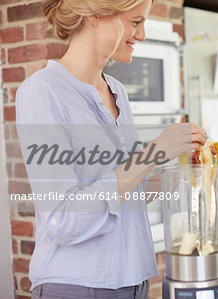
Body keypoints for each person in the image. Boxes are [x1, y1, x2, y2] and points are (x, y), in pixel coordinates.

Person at [15, 0, 207, 298]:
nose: (142, 35)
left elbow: (130, 193)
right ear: (95, 16)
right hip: (77, 285)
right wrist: (153, 152)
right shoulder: (43, 91)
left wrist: (184, 170)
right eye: (135, 22)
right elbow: (64, 219)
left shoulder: (117, 92)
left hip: (135, 282)